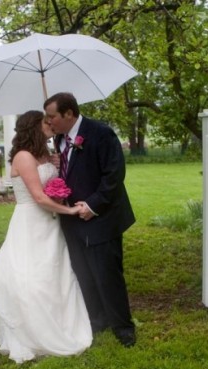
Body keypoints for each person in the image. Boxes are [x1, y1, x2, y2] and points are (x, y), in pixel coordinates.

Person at [0, 110, 92, 364]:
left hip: (50, 224)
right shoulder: (23, 157)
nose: (51, 123)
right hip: (31, 221)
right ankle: (33, 330)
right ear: (33, 127)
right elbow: (39, 197)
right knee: (32, 276)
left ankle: (62, 322)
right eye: (45, 121)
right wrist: (70, 209)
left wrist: (58, 183)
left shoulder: (45, 154)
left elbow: (50, 189)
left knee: (56, 273)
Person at [43, 92, 137, 347]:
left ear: (69, 113)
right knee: (83, 272)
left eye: (52, 116)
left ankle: (123, 328)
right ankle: (97, 320)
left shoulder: (101, 133)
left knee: (107, 274)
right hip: (71, 219)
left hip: (102, 218)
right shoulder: (60, 139)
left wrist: (93, 205)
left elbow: (114, 175)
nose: (49, 122)